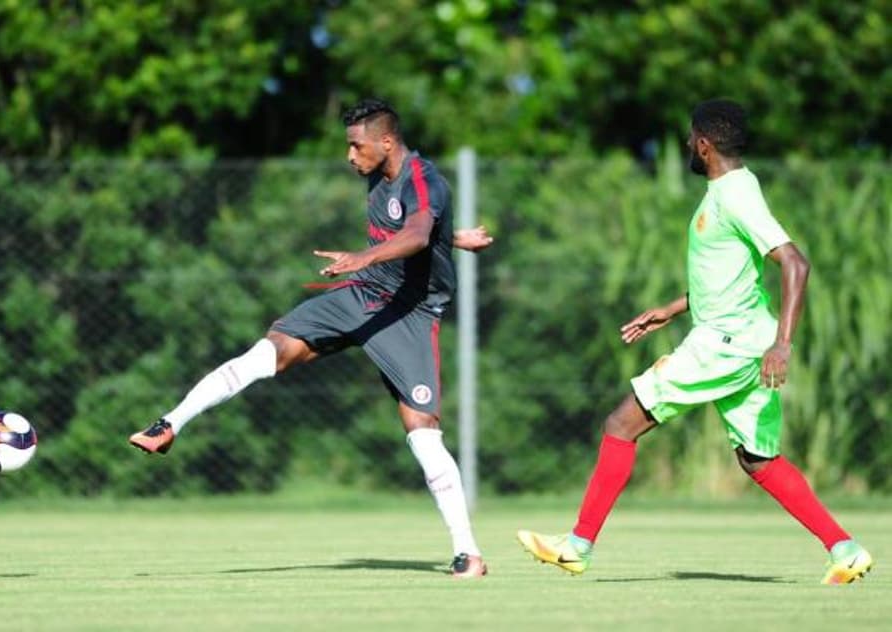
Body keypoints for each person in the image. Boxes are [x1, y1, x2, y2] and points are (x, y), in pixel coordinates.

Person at [129, 99, 492, 579]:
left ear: (386, 142)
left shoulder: (423, 176)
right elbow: (419, 228)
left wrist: (372, 255)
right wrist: (450, 238)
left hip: (409, 311)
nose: (349, 155)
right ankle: (169, 424)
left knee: (421, 431)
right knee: (269, 352)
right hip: (362, 295)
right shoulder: (376, 172)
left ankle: (468, 553)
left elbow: (420, 232)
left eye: (356, 145)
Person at [517, 99, 872, 585]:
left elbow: (796, 263)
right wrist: (673, 308)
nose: (688, 144)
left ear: (704, 145)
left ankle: (577, 546)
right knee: (757, 458)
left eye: (690, 138)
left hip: (728, 344)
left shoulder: (734, 195)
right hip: (744, 339)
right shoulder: (732, 190)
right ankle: (845, 549)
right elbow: (731, 275)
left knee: (621, 423)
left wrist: (783, 344)